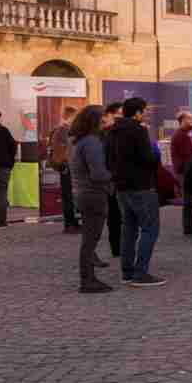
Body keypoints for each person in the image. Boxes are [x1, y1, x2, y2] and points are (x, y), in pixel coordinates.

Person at [107, 97, 165, 287]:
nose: (146, 113)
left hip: (121, 187)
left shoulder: (113, 131)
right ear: (138, 112)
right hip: (141, 186)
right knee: (150, 228)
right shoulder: (138, 131)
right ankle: (140, 273)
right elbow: (148, 158)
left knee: (129, 229)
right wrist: (156, 152)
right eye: (144, 111)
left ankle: (127, 272)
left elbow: (108, 159)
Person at [68, 106, 112, 293]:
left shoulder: (79, 141)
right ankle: (87, 279)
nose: (104, 124)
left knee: (89, 239)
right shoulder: (92, 142)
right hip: (93, 193)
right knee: (90, 240)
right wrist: (114, 175)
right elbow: (98, 173)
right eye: (102, 121)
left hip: (83, 193)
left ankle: (88, 277)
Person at [170, 111, 192, 236]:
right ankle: (189, 227)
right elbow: (188, 155)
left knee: (189, 200)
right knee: (188, 201)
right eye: (189, 119)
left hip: (184, 170)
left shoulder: (184, 134)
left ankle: (189, 226)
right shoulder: (182, 135)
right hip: (185, 171)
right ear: (182, 120)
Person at [48, 105, 80, 233]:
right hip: (67, 167)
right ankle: (69, 224)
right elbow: (60, 150)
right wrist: (63, 165)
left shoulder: (65, 129)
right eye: (75, 117)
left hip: (69, 166)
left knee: (70, 196)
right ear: (70, 116)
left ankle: (72, 222)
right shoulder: (62, 130)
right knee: (68, 196)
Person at [101, 102, 124, 257]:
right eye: (119, 113)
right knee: (115, 216)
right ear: (110, 115)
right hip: (111, 180)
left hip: (116, 179)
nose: (122, 117)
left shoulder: (115, 132)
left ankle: (119, 247)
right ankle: (117, 247)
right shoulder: (104, 133)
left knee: (118, 216)